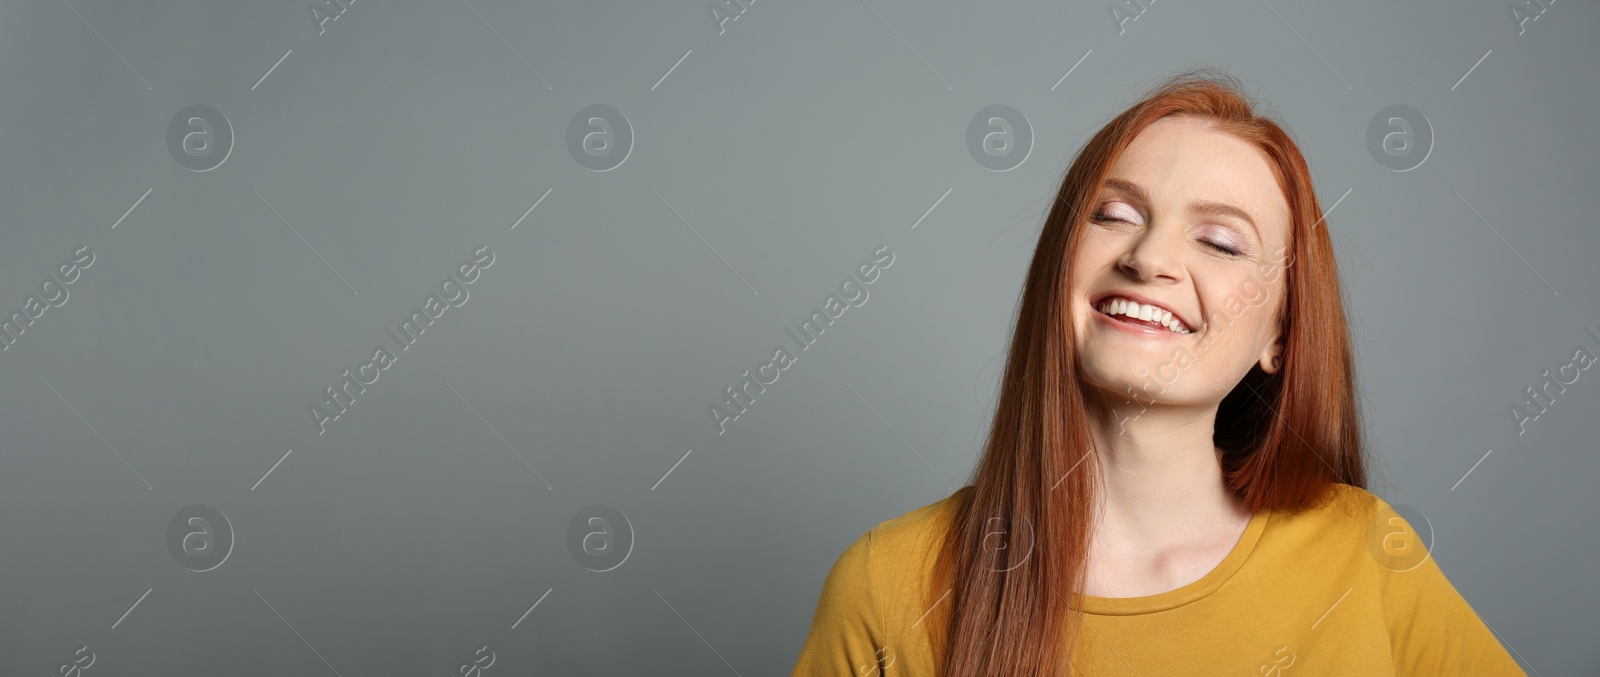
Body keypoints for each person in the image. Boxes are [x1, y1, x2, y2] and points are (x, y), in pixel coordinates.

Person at [790, 67, 1527, 676]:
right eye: (1114, 214)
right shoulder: (886, 583)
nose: (1149, 258)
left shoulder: (1368, 552)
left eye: (1220, 241)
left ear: (1282, 333)